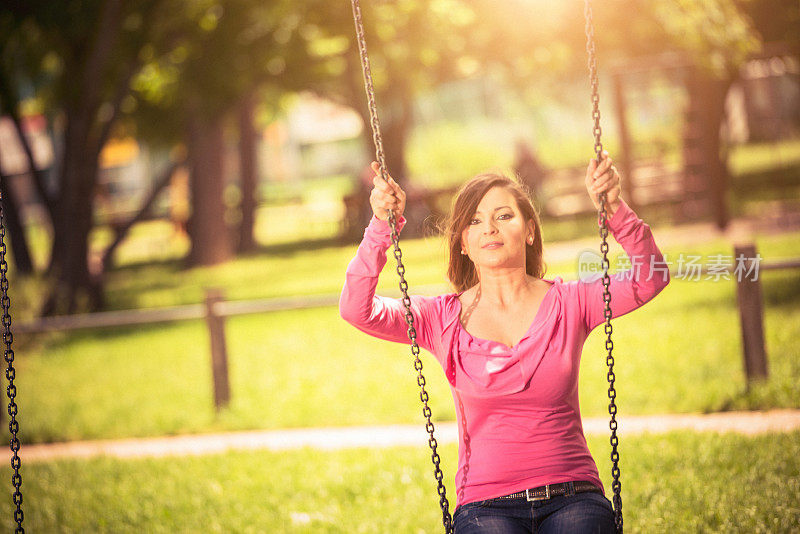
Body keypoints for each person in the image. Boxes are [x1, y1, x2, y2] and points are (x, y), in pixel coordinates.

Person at [339, 151, 670, 533]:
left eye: (504, 216)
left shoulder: (571, 302)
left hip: (573, 494)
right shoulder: (439, 318)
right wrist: (383, 225)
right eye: (475, 221)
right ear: (463, 242)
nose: (490, 229)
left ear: (529, 230)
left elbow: (651, 277)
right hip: (485, 505)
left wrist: (614, 208)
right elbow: (356, 309)